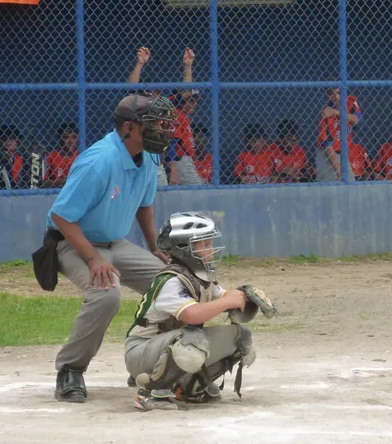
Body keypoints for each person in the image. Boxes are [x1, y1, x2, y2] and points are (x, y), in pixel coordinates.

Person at [45, 93, 176, 403]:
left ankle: (146, 362)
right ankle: (70, 370)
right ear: (129, 127)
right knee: (106, 295)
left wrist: (154, 246)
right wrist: (92, 259)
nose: (162, 129)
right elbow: (61, 216)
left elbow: (144, 205)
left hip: (116, 243)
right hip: (74, 243)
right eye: (154, 123)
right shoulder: (99, 160)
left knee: (172, 284)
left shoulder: (149, 155)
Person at [125, 212, 260, 411]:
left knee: (241, 338)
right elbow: (192, 315)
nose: (211, 250)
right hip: (141, 351)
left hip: (168, 345)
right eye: (204, 245)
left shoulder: (201, 279)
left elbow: (229, 303)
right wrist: (227, 301)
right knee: (192, 339)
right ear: (184, 249)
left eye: (209, 244)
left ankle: (189, 387)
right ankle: (152, 390)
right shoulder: (170, 280)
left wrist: (244, 298)